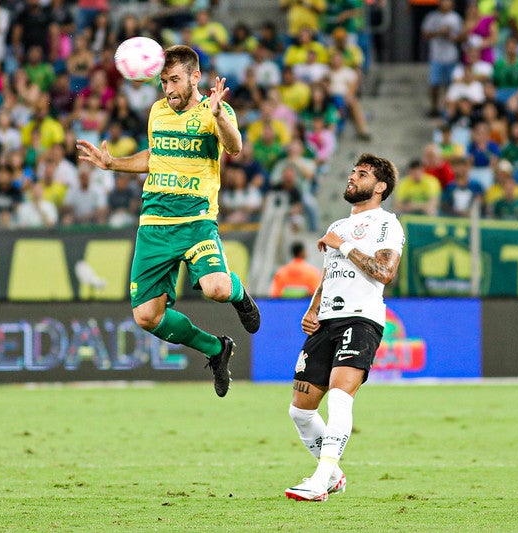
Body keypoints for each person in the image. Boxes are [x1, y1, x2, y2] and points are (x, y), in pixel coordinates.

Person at [77, 45, 261, 398]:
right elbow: (155, 156)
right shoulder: (158, 111)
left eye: (175, 80)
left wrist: (220, 115)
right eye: (163, 81)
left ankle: (241, 295)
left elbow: (234, 147)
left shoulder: (214, 112)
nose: (169, 89)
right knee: (146, 316)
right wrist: (113, 163)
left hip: (196, 222)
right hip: (154, 224)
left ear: (195, 77)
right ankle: (216, 349)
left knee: (216, 289)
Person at [285, 153, 404, 502]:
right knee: (300, 410)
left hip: (361, 318)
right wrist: (313, 307)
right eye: (352, 172)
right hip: (327, 322)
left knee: (339, 397)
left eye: (362, 174)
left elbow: (385, 272)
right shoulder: (336, 225)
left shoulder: (386, 224)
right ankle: (335, 475)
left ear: (380, 187)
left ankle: (320, 481)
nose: (352, 177)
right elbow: (330, 273)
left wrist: (345, 244)